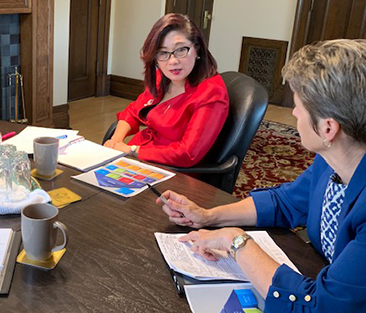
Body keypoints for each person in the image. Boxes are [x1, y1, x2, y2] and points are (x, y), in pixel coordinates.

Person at [157, 39, 366, 312]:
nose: (293, 113)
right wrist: (209, 216)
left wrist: (236, 241)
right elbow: (285, 202)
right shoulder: (331, 163)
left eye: (298, 107)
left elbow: (318, 307)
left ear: (328, 129)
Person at [104, 13, 228, 167]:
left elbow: (187, 153)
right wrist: (116, 140)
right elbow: (133, 112)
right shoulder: (162, 78)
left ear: (197, 49)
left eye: (181, 50)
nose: (173, 61)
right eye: (163, 53)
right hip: (139, 158)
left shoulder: (211, 92)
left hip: (173, 171)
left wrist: (132, 150)